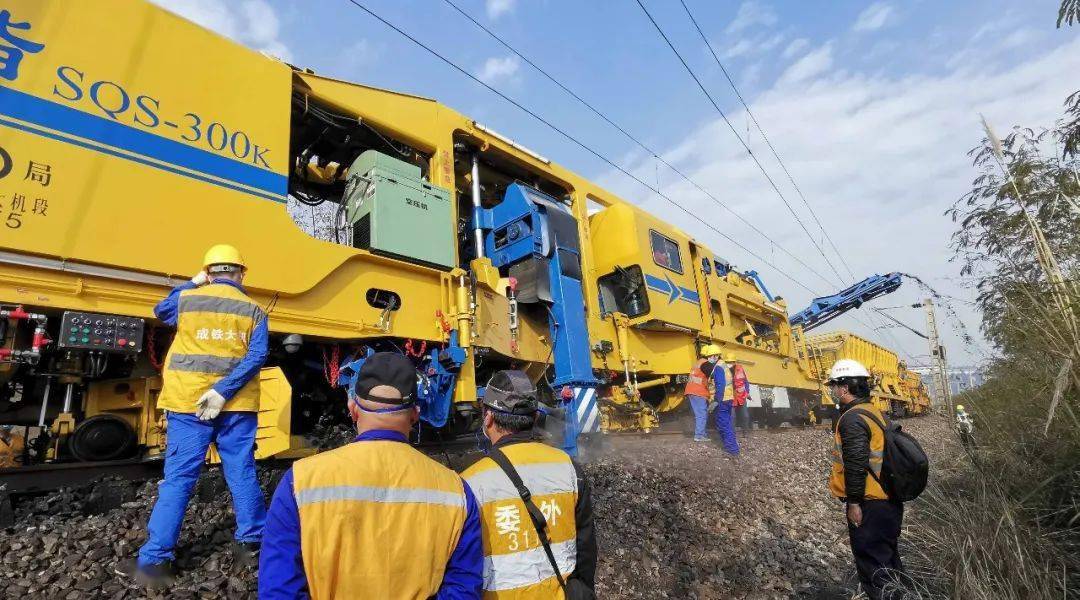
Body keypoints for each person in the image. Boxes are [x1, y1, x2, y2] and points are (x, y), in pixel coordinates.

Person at [258, 352, 483, 599]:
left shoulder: (300, 481)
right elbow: (463, 588)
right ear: (415, 414)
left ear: (353, 408)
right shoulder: (455, 490)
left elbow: (279, 591)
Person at [117, 244, 269, 587]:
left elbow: (161, 310)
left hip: (189, 405)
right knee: (241, 470)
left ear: (208, 272)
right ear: (241, 274)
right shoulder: (254, 309)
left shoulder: (188, 299)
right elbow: (257, 355)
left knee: (180, 479)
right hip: (236, 407)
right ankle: (252, 544)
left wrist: (191, 282)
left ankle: (155, 561)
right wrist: (223, 391)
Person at [462, 370, 597, 599]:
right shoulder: (567, 466)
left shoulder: (470, 481)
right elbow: (585, 546)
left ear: (488, 418)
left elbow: (462, 565)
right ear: (535, 418)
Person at [827, 359, 905, 600]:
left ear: (844, 388)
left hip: (870, 503)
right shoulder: (873, 412)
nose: (832, 391)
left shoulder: (852, 419)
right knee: (888, 561)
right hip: (888, 500)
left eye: (834, 386)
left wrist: (854, 503)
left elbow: (856, 464)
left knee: (874, 568)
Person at [685, 344, 722, 441]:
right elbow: (714, 376)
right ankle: (699, 436)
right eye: (716, 356)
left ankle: (702, 434)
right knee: (701, 413)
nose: (716, 358)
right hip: (698, 391)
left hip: (691, 390)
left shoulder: (698, 362)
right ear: (710, 355)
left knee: (701, 413)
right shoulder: (706, 364)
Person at [711, 356, 738, 456]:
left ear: (714, 356)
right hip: (728, 398)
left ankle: (732, 450)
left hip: (722, 400)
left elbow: (720, 384)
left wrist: (717, 400)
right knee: (726, 423)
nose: (707, 359)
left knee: (724, 424)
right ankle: (731, 447)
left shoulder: (718, 367)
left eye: (708, 356)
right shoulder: (725, 366)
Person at [730, 356, 751, 432]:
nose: (731, 363)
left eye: (732, 361)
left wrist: (747, 392)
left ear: (735, 362)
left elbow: (746, 381)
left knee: (745, 415)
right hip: (731, 396)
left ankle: (745, 431)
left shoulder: (740, 369)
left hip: (742, 396)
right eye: (729, 362)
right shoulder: (725, 370)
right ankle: (732, 432)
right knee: (732, 416)